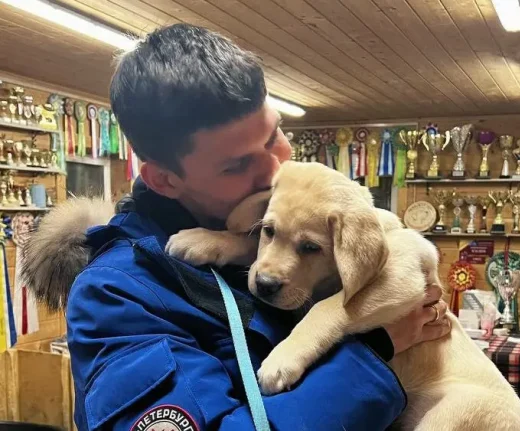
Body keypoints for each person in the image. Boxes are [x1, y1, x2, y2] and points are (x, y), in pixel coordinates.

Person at [50, 24, 449, 431]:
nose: (275, 168)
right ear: (165, 180)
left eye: (274, 135)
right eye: (236, 165)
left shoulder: (250, 236)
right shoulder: (117, 296)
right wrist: (376, 350)